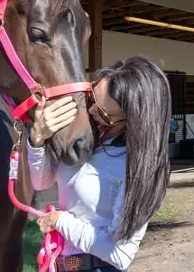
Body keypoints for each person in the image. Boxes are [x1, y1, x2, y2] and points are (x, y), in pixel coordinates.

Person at [27, 56, 172, 271]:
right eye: (90, 98)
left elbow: (120, 254)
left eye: (102, 112)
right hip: (58, 263)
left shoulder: (137, 169)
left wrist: (60, 221)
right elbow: (42, 182)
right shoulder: (85, 137)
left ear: (131, 120)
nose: (91, 112)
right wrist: (38, 140)